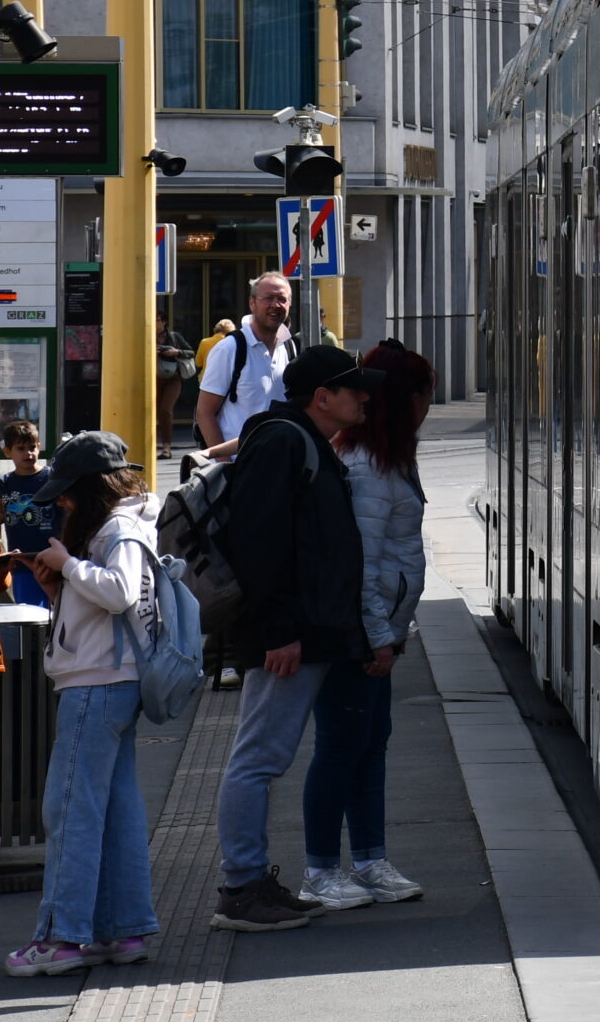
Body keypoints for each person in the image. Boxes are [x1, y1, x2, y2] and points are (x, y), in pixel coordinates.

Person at [210, 346, 379, 933]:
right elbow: (260, 542)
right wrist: (280, 630)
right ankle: (242, 888)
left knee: (263, 757)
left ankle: (251, 883)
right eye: (353, 388)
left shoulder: (299, 439)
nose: (364, 396)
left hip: (309, 632)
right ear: (321, 397)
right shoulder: (285, 441)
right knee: (258, 758)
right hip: (289, 636)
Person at [3, 434, 158, 977]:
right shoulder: (129, 524)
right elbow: (105, 607)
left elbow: (116, 592)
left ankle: (60, 938)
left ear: (91, 489)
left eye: (68, 494)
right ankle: (125, 931)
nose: (62, 503)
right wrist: (58, 585)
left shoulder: (117, 529)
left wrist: (67, 565)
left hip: (95, 683)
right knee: (116, 811)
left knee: (68, 807)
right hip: (115, 679)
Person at [299, 340, 432, 910]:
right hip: (358, 634)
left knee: (369, 745)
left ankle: (371, 859)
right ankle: (320, 870)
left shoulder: (386, 459)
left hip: (378, 631)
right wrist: (379, 637)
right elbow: (364, 563)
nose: (429, 403)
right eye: (424, 393)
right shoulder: (370, 467)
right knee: (340, 747)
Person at [196, 273, 296, 452]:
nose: (275, 305)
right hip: (240, 465)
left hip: (281, 463)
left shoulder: (288, 348)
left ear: (289, 304)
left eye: (282, 299)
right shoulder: (229, 348)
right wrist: (224, 465)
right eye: (268, 298)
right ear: (252, 303)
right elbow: (205, 413)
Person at [0, 421, 54, 610]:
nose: (28, 453)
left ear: (38, 447)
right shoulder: (4, 483)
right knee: (30, 613)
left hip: (53, 560)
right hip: (22, 564)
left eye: (32, 447)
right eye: (20, 448)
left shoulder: (51, 478)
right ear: (8, 452)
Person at [155, 315, 196, 458]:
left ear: (164, 322)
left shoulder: (174, 336)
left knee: (165, 410)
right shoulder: (147, 335)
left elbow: (191, 352)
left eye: (157, 320)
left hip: (173, 378)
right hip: (154, 379)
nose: (155, 323)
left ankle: (167, 448)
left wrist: (176, 352)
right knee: (152, 412)